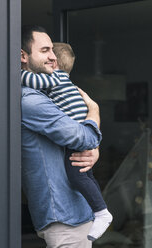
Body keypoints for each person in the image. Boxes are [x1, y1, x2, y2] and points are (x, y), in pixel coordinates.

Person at [21, 42, 113, 241]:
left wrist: (92, 142)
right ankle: (101, 211)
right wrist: (94, 117)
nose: (51, 57)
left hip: (70, 217)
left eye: (52, 52)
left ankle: (102, 212)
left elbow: (83, 138)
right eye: (45, 51)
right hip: (67, 217)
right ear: (23, 56)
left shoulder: (49, 82)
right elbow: (85, 139)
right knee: (83, 174)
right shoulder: (34, 97)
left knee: (79, 174)